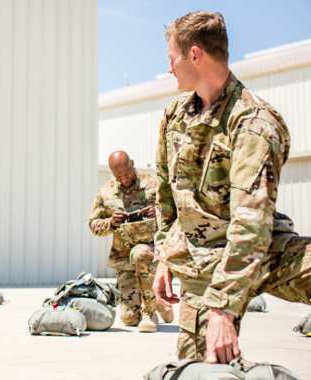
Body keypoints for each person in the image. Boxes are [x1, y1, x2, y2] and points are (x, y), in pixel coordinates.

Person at [153, 11, 311, 364]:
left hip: (257, 251)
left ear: (195, 55)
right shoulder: (174, 117)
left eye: (172, 58)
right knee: (195, 370)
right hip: (200, 259)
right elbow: (166, 196)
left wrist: (223, 306)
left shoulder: (253, 122)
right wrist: (164, 257)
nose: (169, 69)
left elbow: (251, 225)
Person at [89, 151, 174, 332]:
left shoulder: (154, 185)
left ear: (133, 164)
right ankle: (160, 303)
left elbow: (176, 215)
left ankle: (149, 311)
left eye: (127, 174)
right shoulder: (106, 192)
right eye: (118, 176)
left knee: (140, 252)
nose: (124, 179)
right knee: (129, 319)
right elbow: (93, 225)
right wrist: (110, 222)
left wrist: (158, 213)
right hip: (124, 259)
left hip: (150, 254)